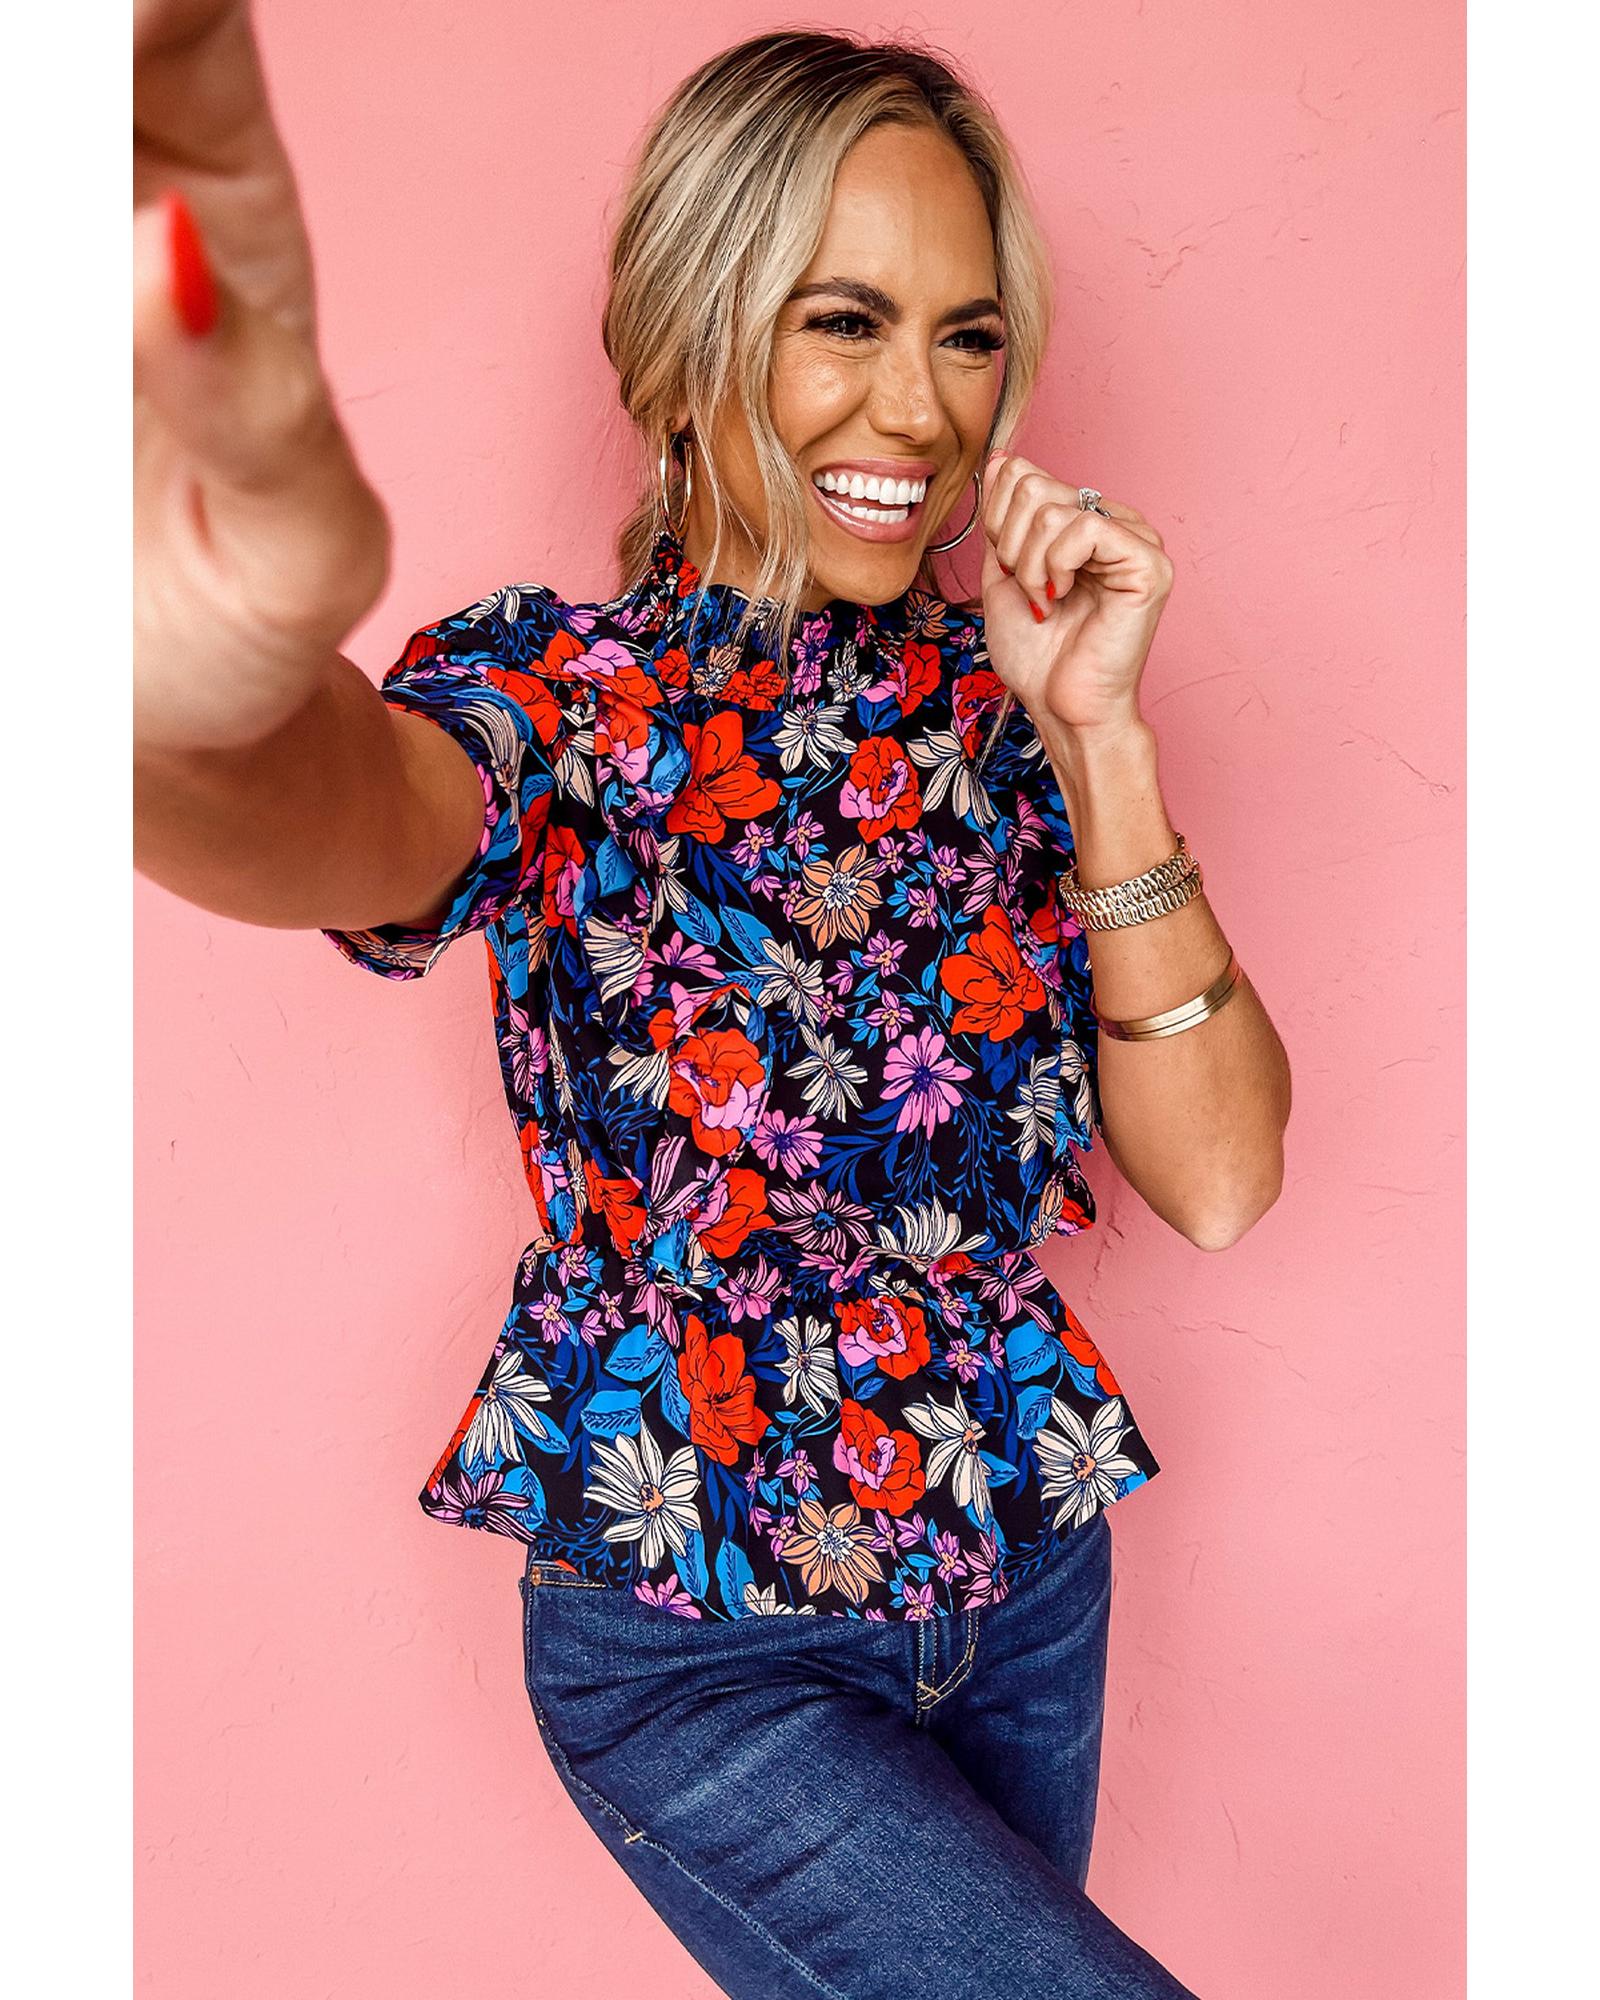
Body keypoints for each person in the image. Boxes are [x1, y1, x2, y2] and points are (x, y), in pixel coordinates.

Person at [135, 7, 1291, 1994]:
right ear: (686, 343)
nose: (917, 409)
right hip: (700, 1643)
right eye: (841, 322)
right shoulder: (560, 697)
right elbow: (356, 811)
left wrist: (1100, 739)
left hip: (1023, 1572)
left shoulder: (1017, 704)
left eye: (965, 334)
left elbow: (1219, 1181)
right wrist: (199, 696)